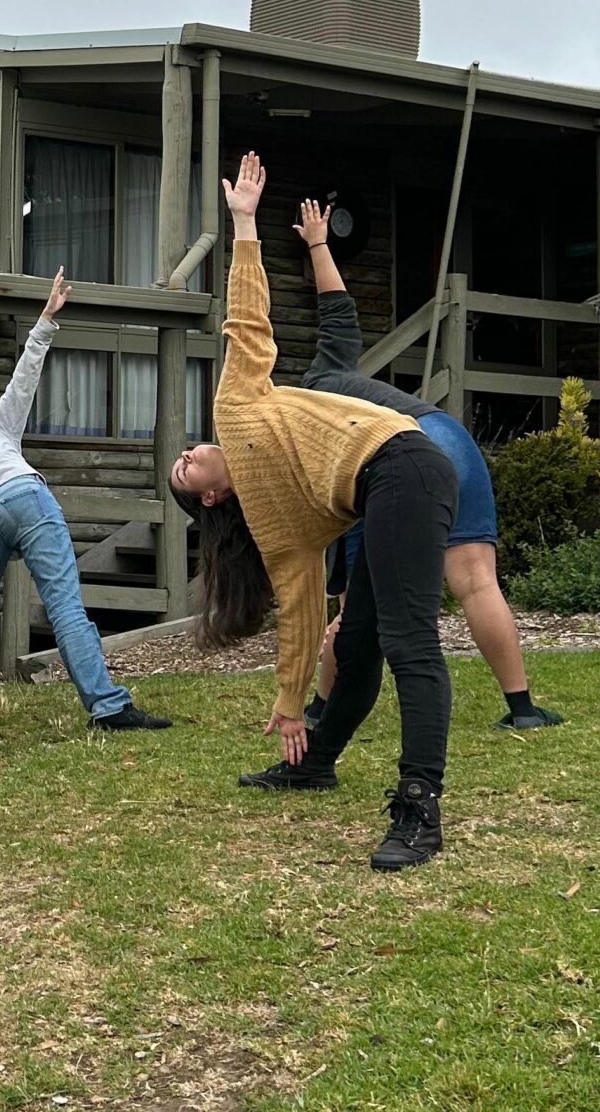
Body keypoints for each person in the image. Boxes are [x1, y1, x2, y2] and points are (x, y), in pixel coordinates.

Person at [168, 153, 459, 870]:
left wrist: (244, 225)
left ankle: (420, 805)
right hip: (390, 485)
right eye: (182, 471)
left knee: (407, 640)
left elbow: (247, 322)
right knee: (356, 643)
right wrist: (291, 702)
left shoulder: (235, 406)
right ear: (209, 497)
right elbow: (299, 615)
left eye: (182, 453)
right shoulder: (278, 528)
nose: (186, 451)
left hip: (405, 465)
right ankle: (313, 761)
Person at [290, 197, 560, 735]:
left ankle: (322, 708)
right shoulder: (326, 369)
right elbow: (337, 307)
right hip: (446, 435)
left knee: (355, 603)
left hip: (393, 456)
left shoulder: (301, 434)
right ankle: (523, 707)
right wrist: (318, 242)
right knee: (478, 582)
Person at [0, 267, 172, 733]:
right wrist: (45, 320)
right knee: (65, 607)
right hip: (26, 497)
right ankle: (108, 707)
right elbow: (23, 381)